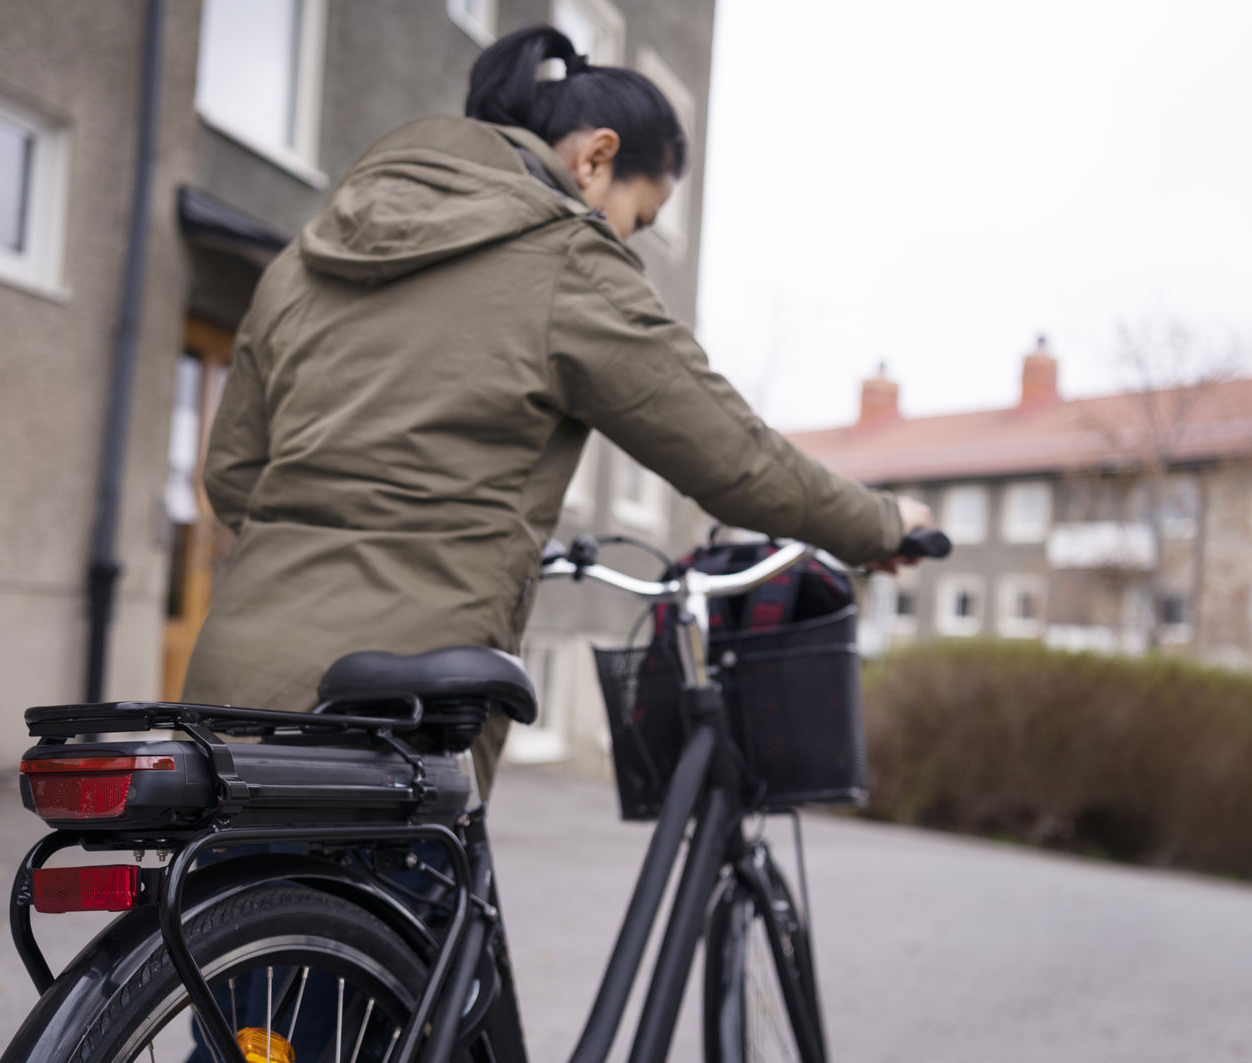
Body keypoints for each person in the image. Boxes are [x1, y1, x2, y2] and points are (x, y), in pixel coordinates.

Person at [182, 25, 934, 800]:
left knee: (234, 916)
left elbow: (234, 474)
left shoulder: (304, 256)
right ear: (595, 159)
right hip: (394, 707)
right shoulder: (566, 260)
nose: (629, 243)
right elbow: (736, 461)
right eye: (638, 219)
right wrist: (879, 524)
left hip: (230, 677)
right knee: (411, 917)